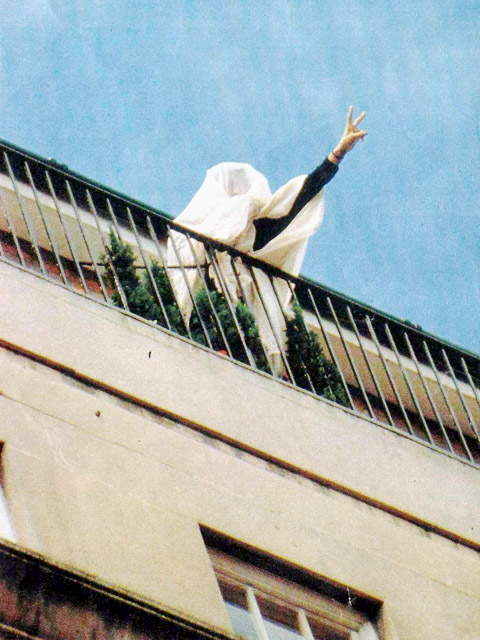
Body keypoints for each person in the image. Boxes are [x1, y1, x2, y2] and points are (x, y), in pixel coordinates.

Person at [167, 107, 366, 372]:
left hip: (236, 327)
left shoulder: (253, 235)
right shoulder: (190, 235)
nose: (240, 208)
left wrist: (337, 155)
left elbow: (296, 200)